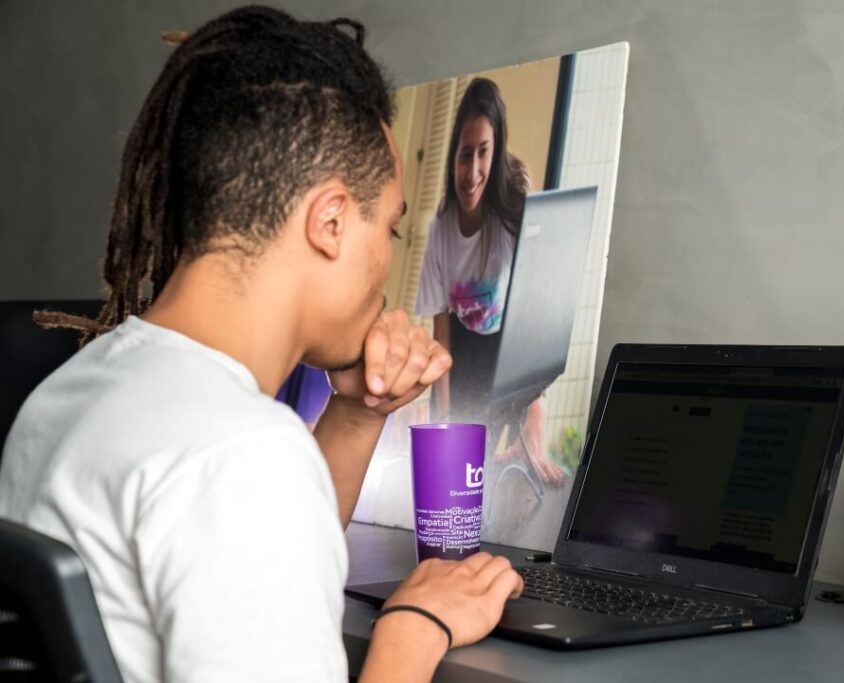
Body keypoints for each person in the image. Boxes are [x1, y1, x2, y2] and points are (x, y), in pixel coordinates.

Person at [0, 7, 522, 682]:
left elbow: (253, 567)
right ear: (331, 221)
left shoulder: (69, 392)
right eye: (389, 231)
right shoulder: (243, 455)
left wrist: (359, 411)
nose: (386, 269)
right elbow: (245, 490)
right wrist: (413, 627)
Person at [415, 77, 566, 486]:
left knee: (475, 478)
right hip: (457, 353)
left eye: (484, 153)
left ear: (495, 153)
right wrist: (444, 420)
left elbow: (533, 321)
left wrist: (533, 428)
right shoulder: (441, 230)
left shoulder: (512, 218)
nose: (473, 172)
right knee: (444, 472)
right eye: (466, 155)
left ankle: (520, 449)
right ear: (453, 157)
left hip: (498, 352)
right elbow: (441, 335)